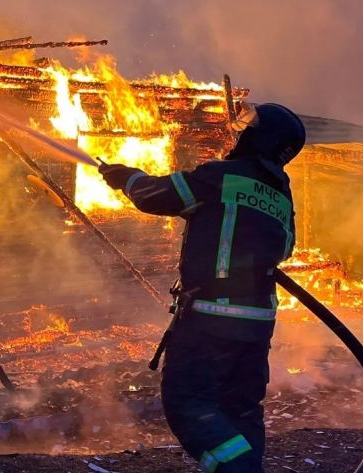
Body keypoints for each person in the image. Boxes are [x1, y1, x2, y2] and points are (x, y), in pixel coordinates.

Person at [98, 103, 305, 473]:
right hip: (258, 323)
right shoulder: (281, 196)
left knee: (187, 402)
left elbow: (156, 196)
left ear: (262, 138)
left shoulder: (221, 176)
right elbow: (286, 248)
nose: (241, 134)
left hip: (211, 317)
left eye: (249, 129)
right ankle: (245, 468)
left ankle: (240, 471)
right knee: (240, 407)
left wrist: (125, 177)